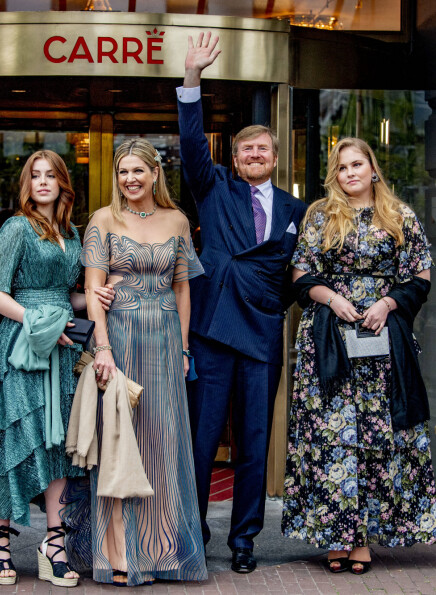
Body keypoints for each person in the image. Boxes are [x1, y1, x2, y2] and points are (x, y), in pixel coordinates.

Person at [177, 32, 308, 574]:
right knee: (203, 441)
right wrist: (191, 80)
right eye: (245, 149)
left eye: (263, 149)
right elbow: (189, 145)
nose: (254, 154)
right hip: (210, 330)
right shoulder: (213, 188)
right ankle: (194, 533)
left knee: (255, 443)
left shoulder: (295, 207)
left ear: (276, 158)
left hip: (261, 333)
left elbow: (300, 272)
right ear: (233, 158)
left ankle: (245, 541)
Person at [281, 137, 436, 574]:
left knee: (375, 436)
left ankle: (363, 537)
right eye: (342, 167)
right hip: (329, 339)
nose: (349, 173)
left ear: (372, 169)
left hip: (382, 340)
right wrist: (330, 298)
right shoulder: (319, 215)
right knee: (331, 435)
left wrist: (387, 304)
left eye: (356, 164)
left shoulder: (399, 215)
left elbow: (421, 274)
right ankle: (337, 534)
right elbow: (299, 274)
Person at [0, 150, 113, 587]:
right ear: (26, 184)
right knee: (15, 438)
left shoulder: (72, 232)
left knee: (58, 444)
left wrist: (96, 297)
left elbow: (63, 295)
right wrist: (39, 322)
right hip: (22, 344)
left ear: (62, 183)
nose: (41, 182)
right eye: (34, 175)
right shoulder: (18, 227)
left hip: (62, 347)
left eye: (50, 175)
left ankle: (52, 545)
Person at [77, 138, 207, 586]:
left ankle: (161, 549)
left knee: (163, 440)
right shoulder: (102, 220)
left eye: (138, 171)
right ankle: (119, 552)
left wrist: (185, 348)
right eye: (123, 172)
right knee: (121, 441)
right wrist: (103, 347)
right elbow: (94, 289)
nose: (129, 179)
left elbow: (183, 287)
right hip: (121, 338)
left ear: (155, 173)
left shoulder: (177, 220)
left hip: (166, 339)